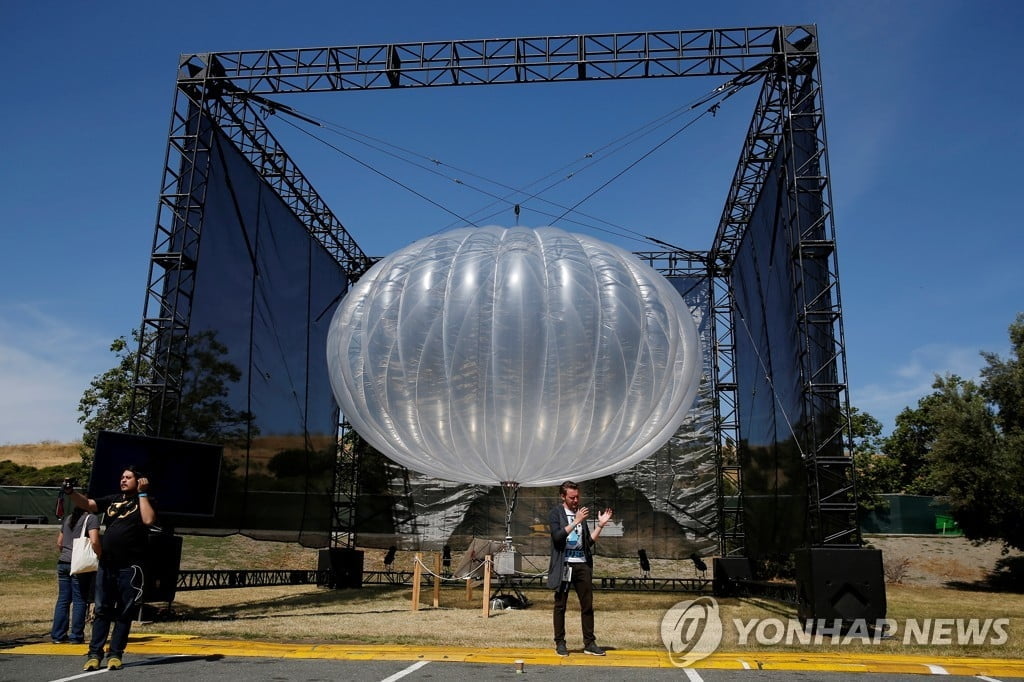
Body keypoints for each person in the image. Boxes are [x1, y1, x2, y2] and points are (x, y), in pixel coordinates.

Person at [63, 467, 156, 671]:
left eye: (128, 477)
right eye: (122, 476)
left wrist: (142, 493)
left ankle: (115, 654)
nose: (123, 480)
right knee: (102, 610)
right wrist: (71, 492)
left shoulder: (145, 500)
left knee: (124, 612)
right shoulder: (113, 499)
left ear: (140, 480)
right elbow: (87, 504)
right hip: (107, 564)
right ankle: (94, 654)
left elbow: (148, 520)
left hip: (130, 567)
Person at [546, 480, 613, 657]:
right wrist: (575, 521)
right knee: (560, 605)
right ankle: (560, 643)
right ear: (563, 496)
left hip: (582, 564)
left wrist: (600, 526)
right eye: (572, 497)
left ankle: (589, 643)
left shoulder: (580, 514)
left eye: (577, 497)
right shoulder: (556, 513)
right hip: (564, 564)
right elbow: (557, 538)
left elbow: (587, 543)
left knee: (587, 605)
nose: (576, 501)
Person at [50, 505, 101, 644]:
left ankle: (58, 634)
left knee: (63, 600)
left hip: (63, 562)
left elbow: (59, 543)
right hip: (79, 565)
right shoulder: (91, 519)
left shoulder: (68, 519)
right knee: (80, 600)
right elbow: (95, 540)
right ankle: (76, 635)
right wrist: (100, 554)